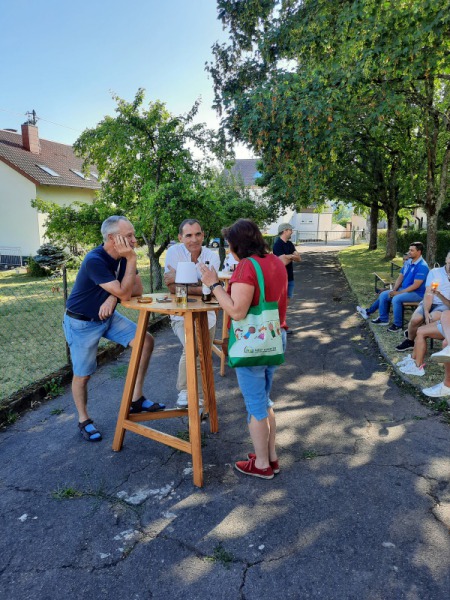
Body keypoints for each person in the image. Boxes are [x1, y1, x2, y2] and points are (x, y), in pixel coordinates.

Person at [199, 218, 288, 480]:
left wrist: (214, 284)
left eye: (229, 245)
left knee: (256, 406)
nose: (229, 250)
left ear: (237, 245)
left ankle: (261, 464)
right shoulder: (275, 261)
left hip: (253, 345)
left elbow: (237, 311)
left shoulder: (247, 266)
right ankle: (270, 456)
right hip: (275, 337)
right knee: (265, 401)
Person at [63, 216, 163, 442]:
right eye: (129, 236)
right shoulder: (94, 260)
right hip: (82, 323)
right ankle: (83, 419)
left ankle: (136, 399)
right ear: (111, 238)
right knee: (83, 375)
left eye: (133, 235)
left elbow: (136, 290)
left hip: (107, 317)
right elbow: (126, 292)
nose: (134, 240)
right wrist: (120, 290)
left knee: (146, 341)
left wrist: (113, 296)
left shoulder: (124, 257)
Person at [163, 219, 220, 408]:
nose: (194, 239)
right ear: (180, 237)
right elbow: (172, 287)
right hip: (180, 313)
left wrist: (182, 281)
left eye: (197, 234)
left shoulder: (211, 256)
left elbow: (212, 288)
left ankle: (200, 397)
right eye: (188, 235)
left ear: (203, 235)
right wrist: (200, 285)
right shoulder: (174, 252)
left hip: (207, 315)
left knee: (203, 354)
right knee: (192, 347)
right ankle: (187, 392)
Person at [356, 242, 428, 331]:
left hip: (417, 293)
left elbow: (415, 286)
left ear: (419, 252)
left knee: (396, 298)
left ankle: (398, 325)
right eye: (409, 250)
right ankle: (383, 319)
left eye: (412, 250)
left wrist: (398, 293)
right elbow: (400, 277)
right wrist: (393, 290)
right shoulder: (409, 262)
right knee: (384, 294)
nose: (409, 252)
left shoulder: (422, 266)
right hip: (405, 290)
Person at [396, 252, 450, 352]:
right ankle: (410, 341)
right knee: (415, 319)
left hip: (444, 304)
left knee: (432, 318)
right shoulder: (435, 272)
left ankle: (418, 333)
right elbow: (428, 293)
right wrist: (426, 311)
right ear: (446, 259)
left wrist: (440, 296)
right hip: (429, 299)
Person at [272, 223, 301, 305]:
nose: (292, 232)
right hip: (281, 278)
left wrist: (288, 256)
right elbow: (283, 262)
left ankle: (283, 314)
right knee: (279, 301)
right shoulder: (277, 245)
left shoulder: (290, 244)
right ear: (285, 231)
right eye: (290, 230)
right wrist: (292, 256)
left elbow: (299, 258)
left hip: (290, 278)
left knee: (287, 300)